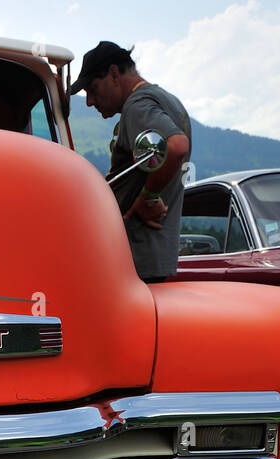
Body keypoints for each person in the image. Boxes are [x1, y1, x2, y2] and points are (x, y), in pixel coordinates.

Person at [69, 42, 192, 283]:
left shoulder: (137, 105)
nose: (89, 102)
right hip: (153, 256)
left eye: (93, 89)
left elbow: (176, 146)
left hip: (132, 259)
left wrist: (148, 197)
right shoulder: (170, 102)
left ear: (114, 74)